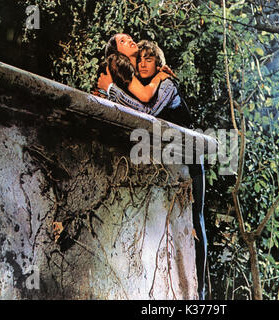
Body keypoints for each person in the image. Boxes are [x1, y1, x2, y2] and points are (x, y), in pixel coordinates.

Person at [98, 37, 207, 299]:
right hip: (171, 156)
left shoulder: (166, 82)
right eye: (141, 59)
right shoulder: (142, 83)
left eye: (150, 59)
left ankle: (200, 291)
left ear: (159, 63)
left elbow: (150, 112)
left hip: (191, 155)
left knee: (198, 220)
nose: (144, 63)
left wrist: (112, 90)